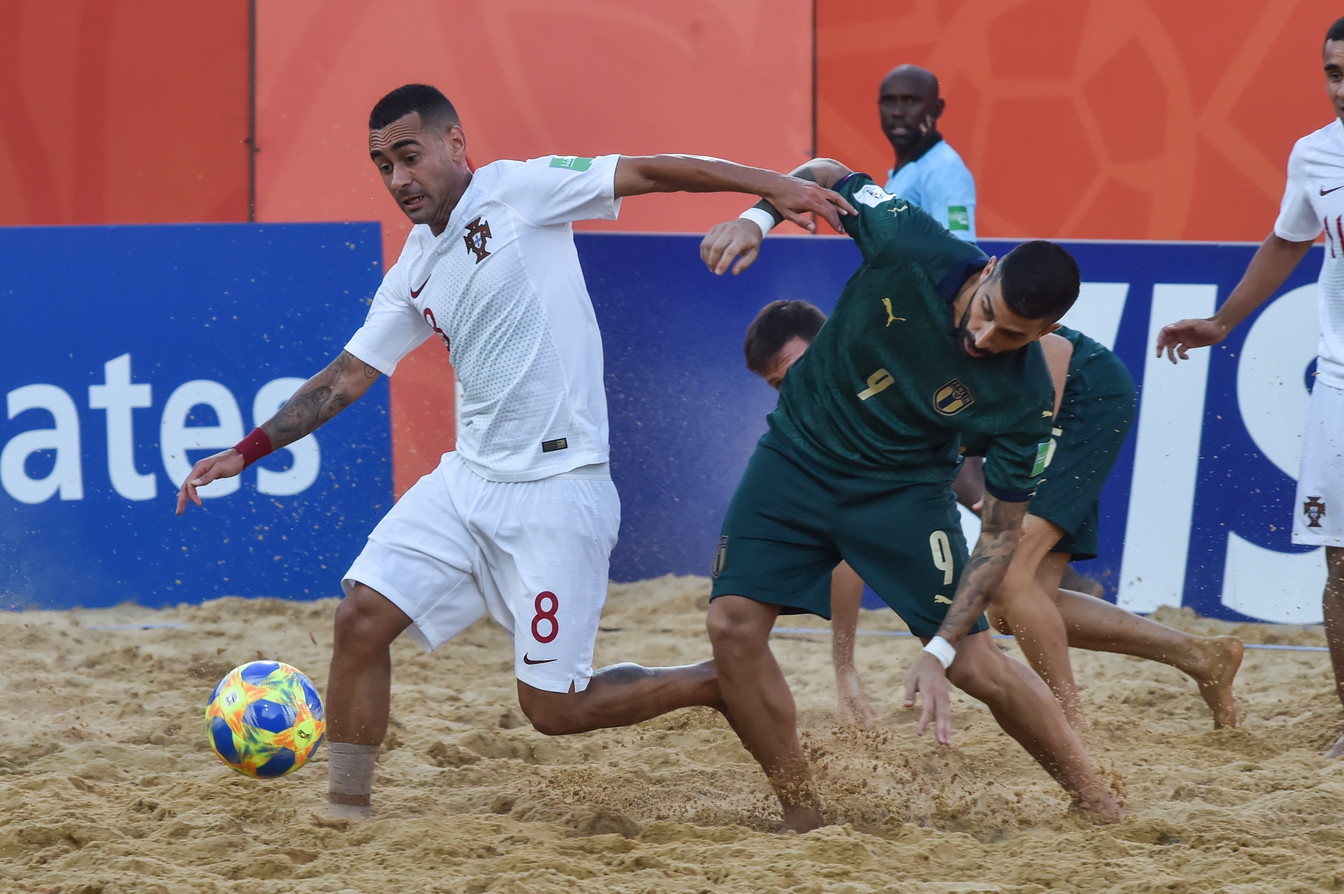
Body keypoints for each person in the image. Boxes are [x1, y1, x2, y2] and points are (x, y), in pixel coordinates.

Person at [175, 83, 855, 817]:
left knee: (554, 709)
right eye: (383, 167)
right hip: (469, 481)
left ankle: (714, 684)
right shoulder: (413, 268)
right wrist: (246, 450)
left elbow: (655, 169)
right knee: (360, 619)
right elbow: (346, 377)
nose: (399, 178)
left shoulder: (520, 191)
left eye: (409, 156)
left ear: (455, 145)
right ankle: (347, 810)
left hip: (559, 487)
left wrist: (772, 189)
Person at [701, 158, 1123, 832]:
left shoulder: (1023, 397)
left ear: (1045, 335)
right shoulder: (908, 237)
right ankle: (802, 812)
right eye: (987, 314)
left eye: (1013, 334)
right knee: (731, 626)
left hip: (900, 493)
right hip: (796, 457)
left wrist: (940, 649)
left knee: (977, 664)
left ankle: (1096, 800)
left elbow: (1000, 539)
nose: (985, 338)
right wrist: (759, 217)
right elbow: (823, 171)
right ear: (986, 272)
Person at [746, 301, 1243, 732]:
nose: (791, 390)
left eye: (792, 372)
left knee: (1009, 582)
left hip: (1078, 392)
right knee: (1014, 605)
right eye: (776, 386)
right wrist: (844, 673)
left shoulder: (885, 346)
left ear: (827, 341)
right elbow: (846, 547)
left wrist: (1020, 468)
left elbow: (1056, 352)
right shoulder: (836, 412)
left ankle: (1067, 721)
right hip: (1034, 413)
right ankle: (1200, 657)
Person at [1156, 16, 1344, 760]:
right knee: (1340, 560)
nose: (1341, 89)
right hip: (1340, 381)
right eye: (1332, 72)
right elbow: (1287, 241)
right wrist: (1222, 323)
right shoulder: (1316, 154)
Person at [879, 64, 976, 242]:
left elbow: (961, 255)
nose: (897, 112)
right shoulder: (906, 170)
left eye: (910, 101)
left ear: (937, 109)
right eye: (888, 101)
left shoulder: (945, 170)